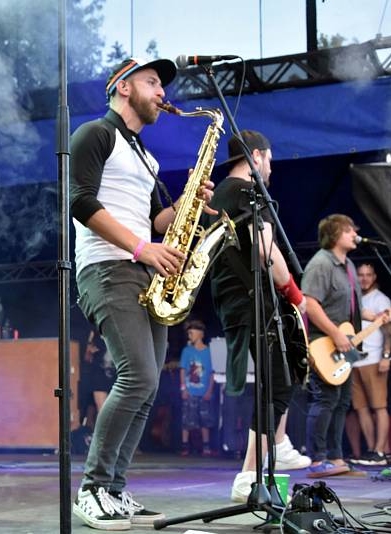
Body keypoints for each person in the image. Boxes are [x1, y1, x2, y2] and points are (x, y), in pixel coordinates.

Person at [69, 57, 213, 530]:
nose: (161, 93)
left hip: (143, 270)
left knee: (149, 383)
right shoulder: (96, 134)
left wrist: (189, 201)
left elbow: (154, 222)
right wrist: (140, 248)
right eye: (152, 82)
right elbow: (80, 201)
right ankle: (91, 489)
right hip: (109, 267)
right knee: (136, 375)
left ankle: (114, 487)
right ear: (123, 88)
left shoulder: (146, 157)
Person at [203, 130, 310, 503]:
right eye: (269, 159)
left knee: (276, 380)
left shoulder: (223, 193)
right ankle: (249, 474)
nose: (270, 167)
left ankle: (277, 445)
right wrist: (295, 295)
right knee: (277, 384)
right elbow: (266, 250)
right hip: (252, 299)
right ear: (259, 155)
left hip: (237, 300)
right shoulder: (244, 191)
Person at [302, 215, 390, 478]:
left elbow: (352, 307)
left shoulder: (349, 265)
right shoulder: (320, 263)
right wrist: (335, 334)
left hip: (344, 342)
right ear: (335, 234)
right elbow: (310, 303)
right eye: (349, 230)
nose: (355, 233)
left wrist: (376, 317)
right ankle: (317, 459)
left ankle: (335, 457)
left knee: (341, 402)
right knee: (326, 399)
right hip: (324, 342)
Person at [345, 262, 391, 466]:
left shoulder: (381, 299)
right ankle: (372, 450)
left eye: (368, 275)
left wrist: (386, 356)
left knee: (379, 407)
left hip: (374, 359)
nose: (364, 278)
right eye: (361, 274)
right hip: (354, 360)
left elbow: (388, 330)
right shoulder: (354, 297)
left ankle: (381, 451)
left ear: (374, 277)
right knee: (361, 408)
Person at [179, 319, 216, 456]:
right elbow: (183, 370)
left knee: (205, 420)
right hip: (190, 391)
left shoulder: (209, 352)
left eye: (192, 333)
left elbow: (212, 373)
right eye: (188, 333)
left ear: (200, 334)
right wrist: (184, 388)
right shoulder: (187, 351)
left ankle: (206, 446)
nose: (190, 336)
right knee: (187, 419)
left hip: (204, 391)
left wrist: (209, 390)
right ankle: (185, 446)